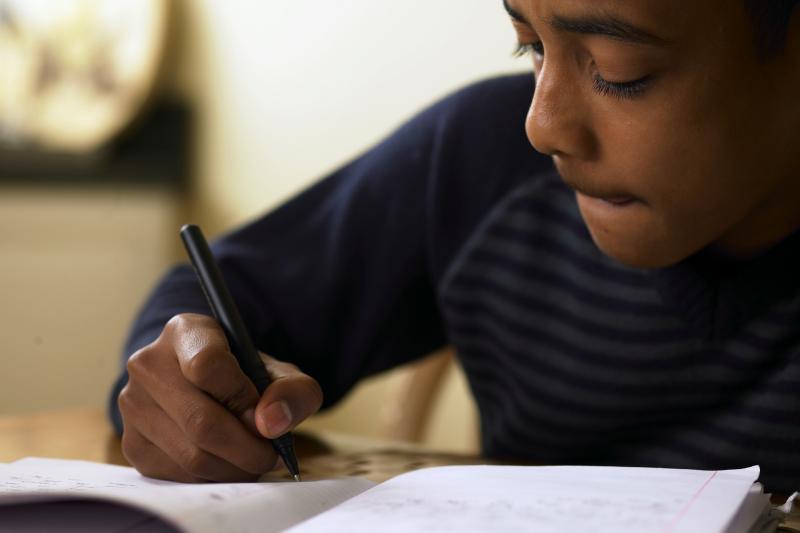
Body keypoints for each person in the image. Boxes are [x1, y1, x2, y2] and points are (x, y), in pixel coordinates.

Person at [110, 0, 800, 491]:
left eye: (618, 71)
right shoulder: (485, 163)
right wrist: (188, 386)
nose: (543, 126)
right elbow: (217, 295)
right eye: (530, 46)